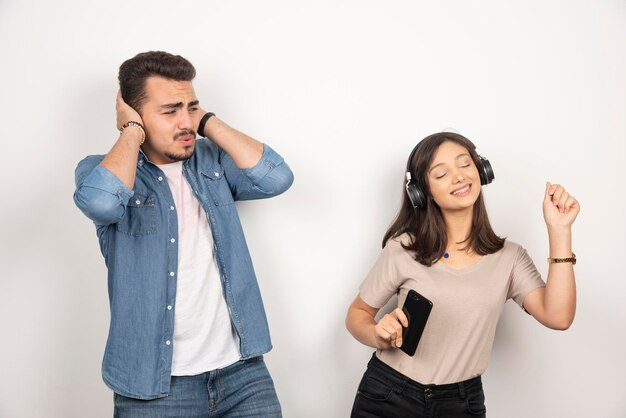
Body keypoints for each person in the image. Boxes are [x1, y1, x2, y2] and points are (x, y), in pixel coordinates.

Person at [73, 51, 293, 417]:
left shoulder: (214, 161)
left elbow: (277, 178)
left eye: (190, 106)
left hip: (241, 372)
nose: (184, 121)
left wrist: (206, 120)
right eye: (169, 110)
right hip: (153, 387)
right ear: (135, 114)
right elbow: (100, 204)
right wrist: (131, 133)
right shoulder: (100, 170)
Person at [345, 132, 578, 418]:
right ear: (423, 192)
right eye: (441, 174)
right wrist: (377, 333)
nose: (458, 177)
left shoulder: (510, 258)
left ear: (482, 171)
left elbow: (558, 316)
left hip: (460, 404)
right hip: (389, 394)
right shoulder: (404, 249)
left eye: (465, 164)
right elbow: (357, 313)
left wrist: (560, 230)